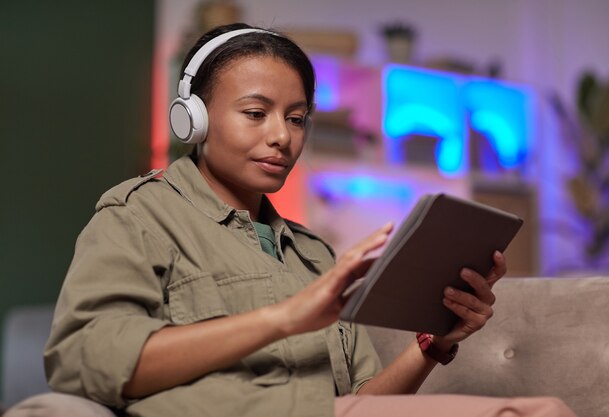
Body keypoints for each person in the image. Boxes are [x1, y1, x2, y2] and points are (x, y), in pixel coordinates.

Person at [5, 23, 577, 417]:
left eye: (297, 118)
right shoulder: (137, 215)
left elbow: (364, 400)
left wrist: (432, 343)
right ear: (193, 121)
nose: (282, 136)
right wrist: (284, 318)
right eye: (255, 113)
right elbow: (84, 362)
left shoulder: (313, 254)